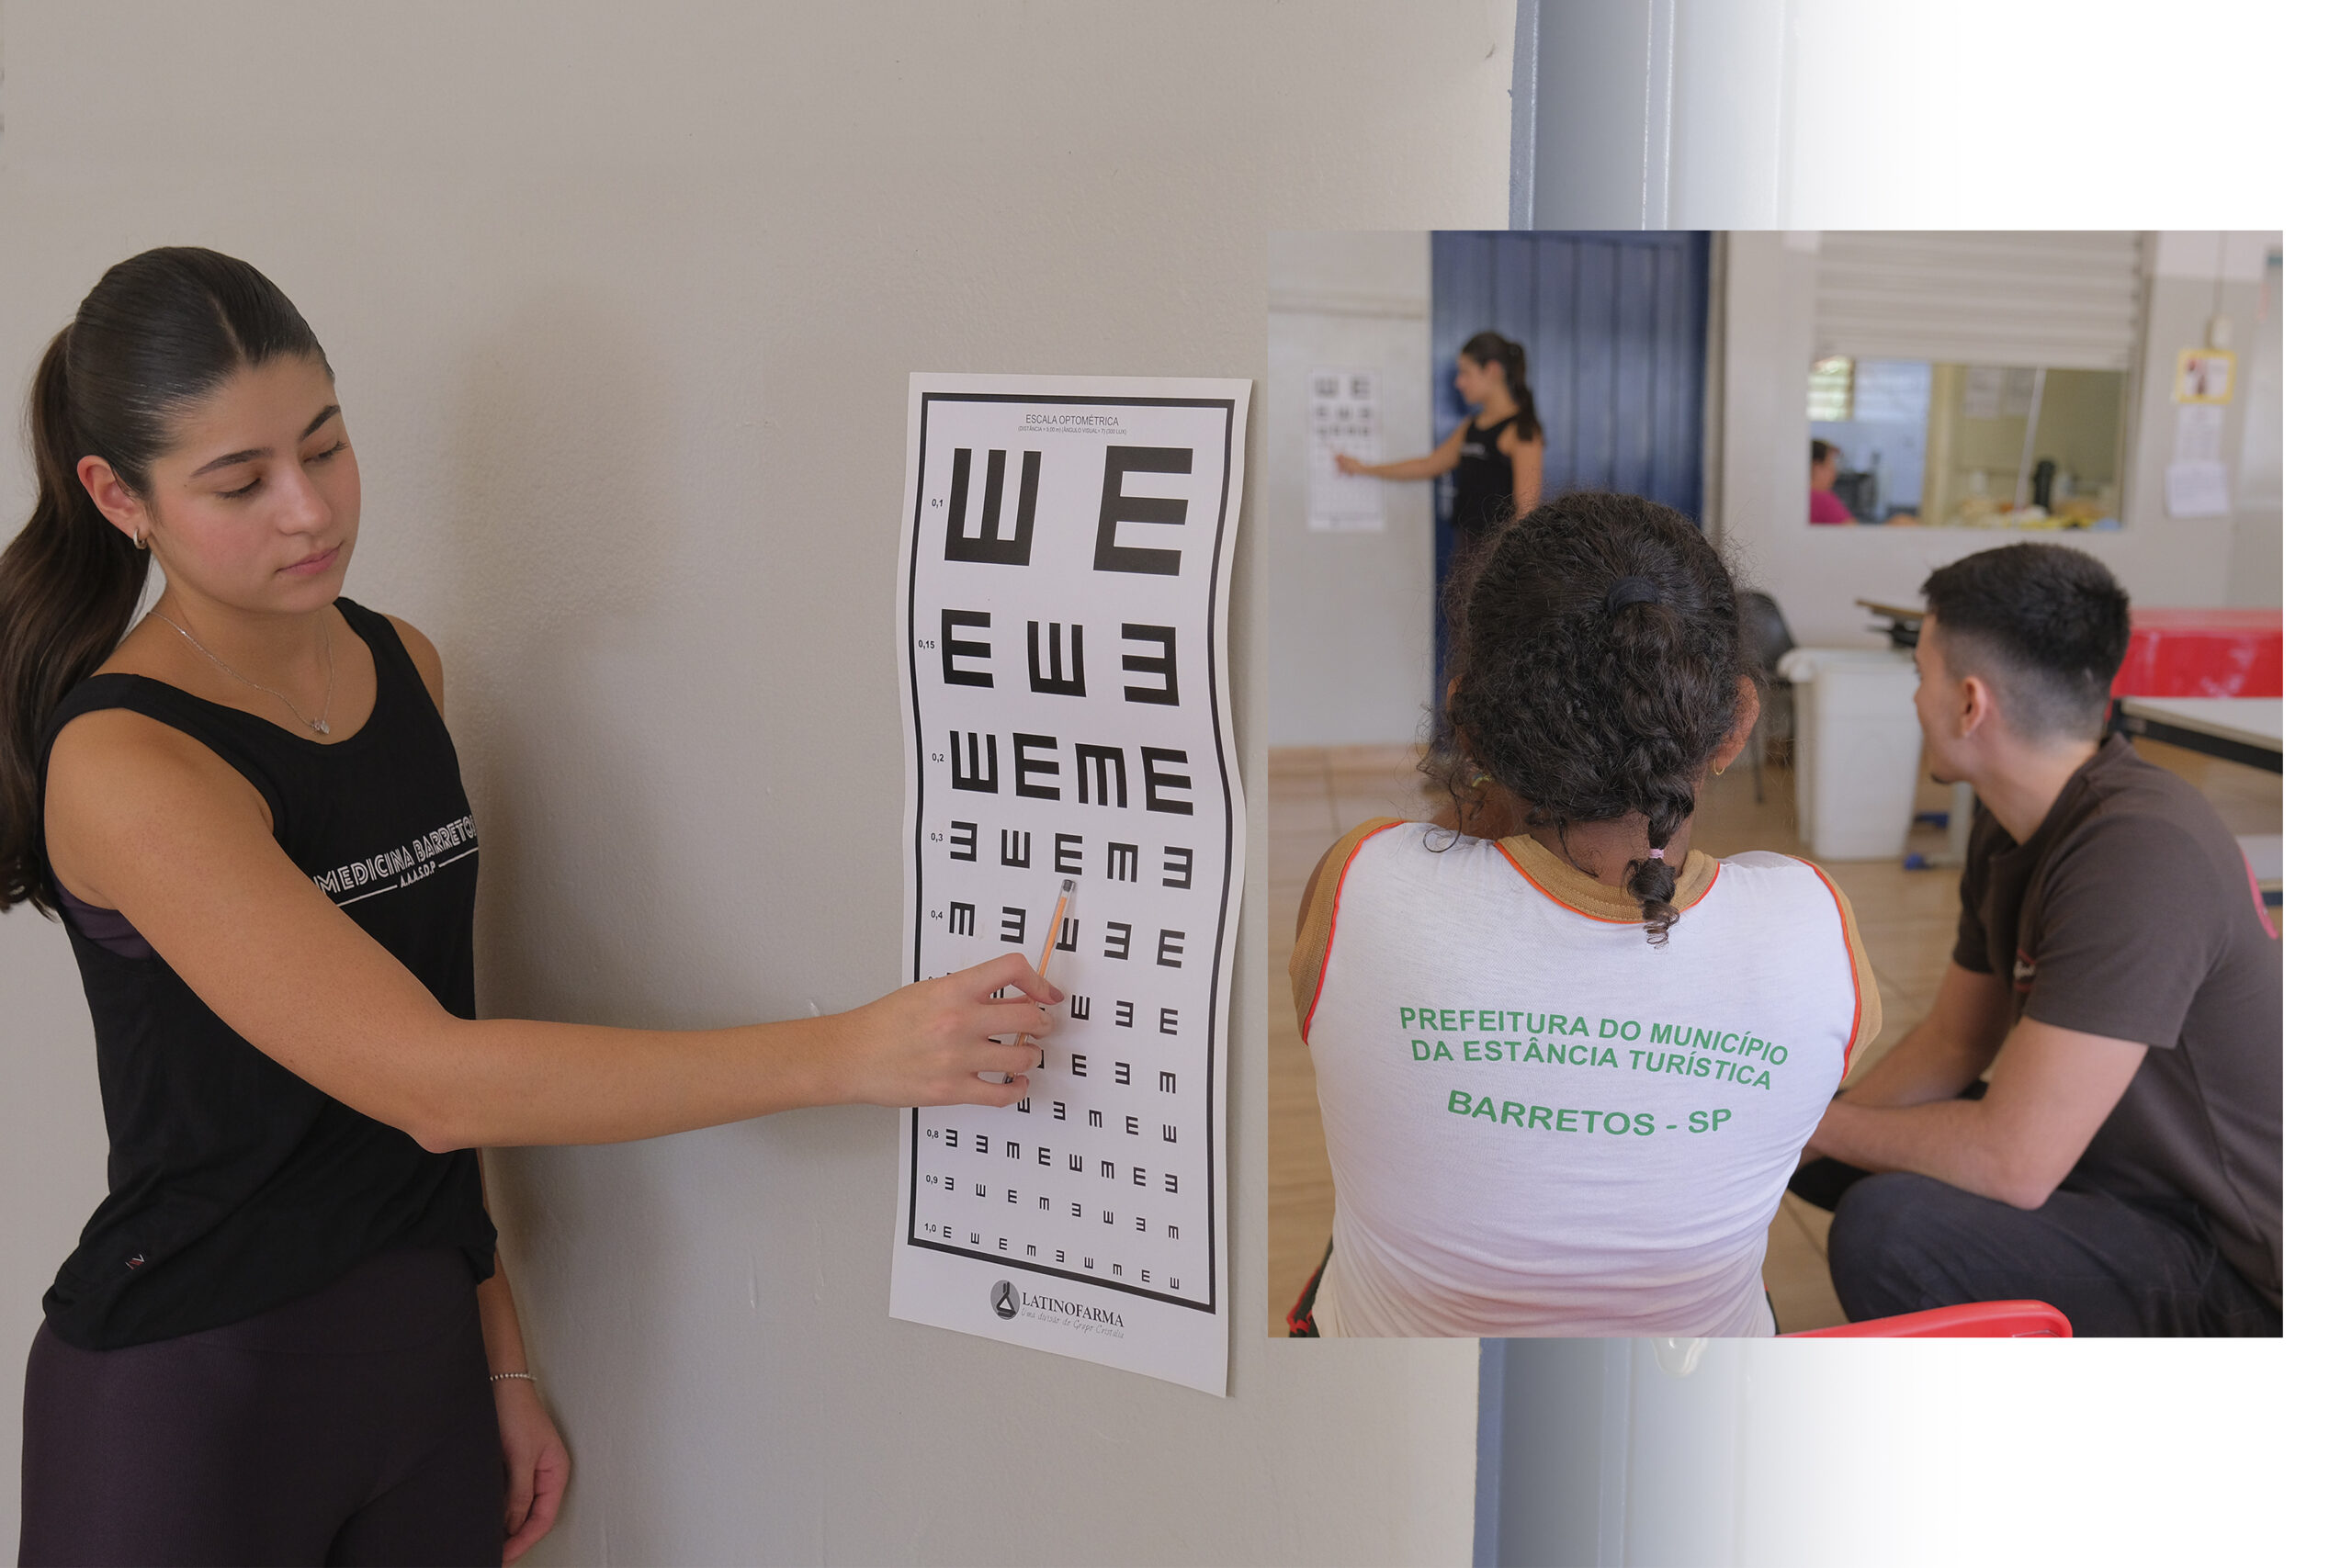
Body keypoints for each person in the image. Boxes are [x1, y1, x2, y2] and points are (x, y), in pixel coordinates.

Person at [0, 249, 1062, 1565]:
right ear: (120, 496)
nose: (308, 509)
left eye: (325, 447)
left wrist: (496, 1356)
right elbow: (433, 1081)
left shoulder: (400, 663)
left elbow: (439, 1038)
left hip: (418, 1370)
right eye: (241, 482)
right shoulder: (127, 760)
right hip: (194, 1396)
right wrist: (851, 1052)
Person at [1284, 493, 1880, 1337]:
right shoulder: (1814, 925)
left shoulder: (1361, 883)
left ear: (1467, 720)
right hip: (1700, 1404)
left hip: (1402, 1397)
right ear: (1737, 723)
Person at [1792, 544, 2281, 1337]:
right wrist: (1803, 1135)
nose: (1915, 698)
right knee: (1831, 1158)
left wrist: (1800, 1125)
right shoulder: (2013, 822)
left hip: (2235, 1261)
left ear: (1970, 704)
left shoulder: (2139, 853)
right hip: (2119, 1171)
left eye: (1921, 674)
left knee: (1888, 1228)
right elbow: (1956, 1039)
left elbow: (2012, 1162)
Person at [1335, 331, 1544, 544]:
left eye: (1465, 373)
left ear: (1492, 370)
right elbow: (1427, 465)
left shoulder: (1522, 430)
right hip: (1466, 546)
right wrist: (1363, 468)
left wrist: (1505, 559)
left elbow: (1526, 512)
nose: (1459, 383)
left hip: (1499, 553)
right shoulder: (1470, 427)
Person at [1808, 439, 1854, 524]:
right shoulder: (1822, 500)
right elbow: (1852, 530)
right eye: (1831, 464)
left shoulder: (1797, 495)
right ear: (1816, 467)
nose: (1835, 472)